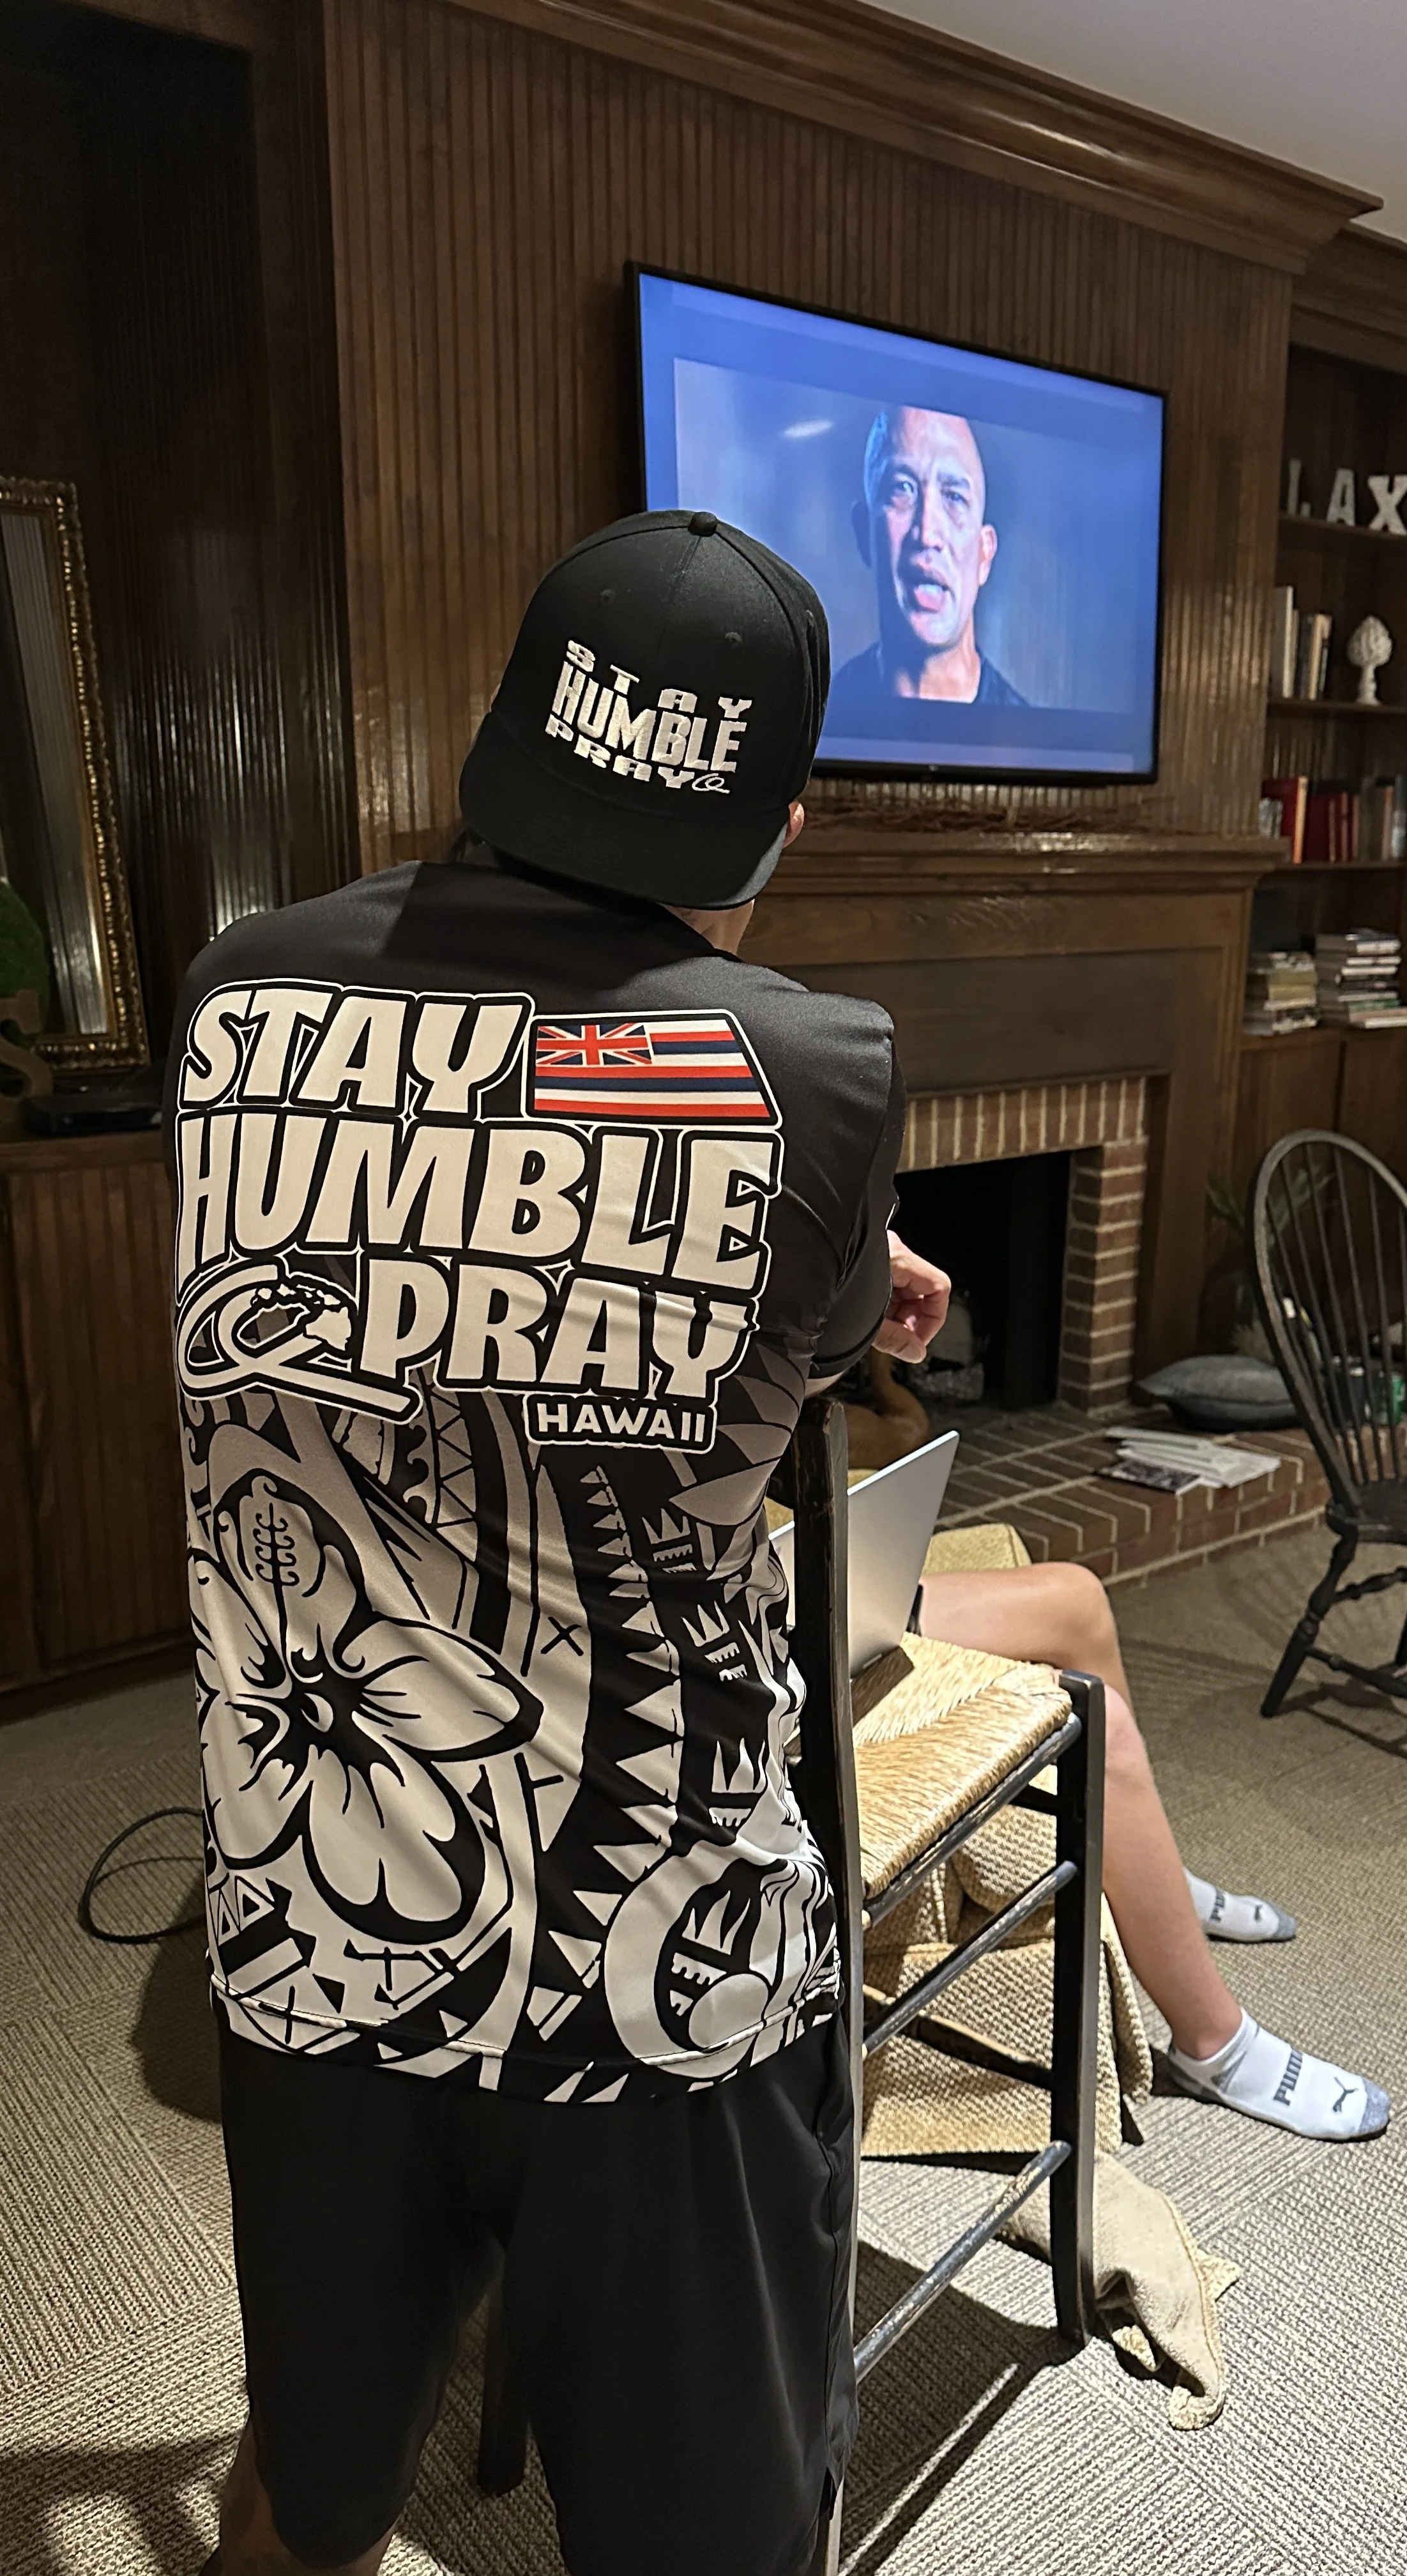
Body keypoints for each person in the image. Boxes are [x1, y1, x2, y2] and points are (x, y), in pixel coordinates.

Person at [166, 506, 951, 2576]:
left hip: (314, 1912)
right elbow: (729, 1406)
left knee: (308, 2489)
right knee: (706, 2531)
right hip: (653, 1962)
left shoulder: (232, 994)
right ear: (772, 813)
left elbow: (393, 1305)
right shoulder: (814, 1069)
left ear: (510, 727)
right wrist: (843, 1279)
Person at [918, 1556, 1390, 2142]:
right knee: (1102, 1722)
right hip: (777, 1656)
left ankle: (1158, 1882)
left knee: (1078, 1599)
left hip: (796, 1582)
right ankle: (1214, 2046)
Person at [828, 403, 1030, 723]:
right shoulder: (819, 722)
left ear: (984, 554)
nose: (927, 534)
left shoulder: (1027, 742)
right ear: (864, 533)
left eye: (954, 497)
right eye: (902, 489)